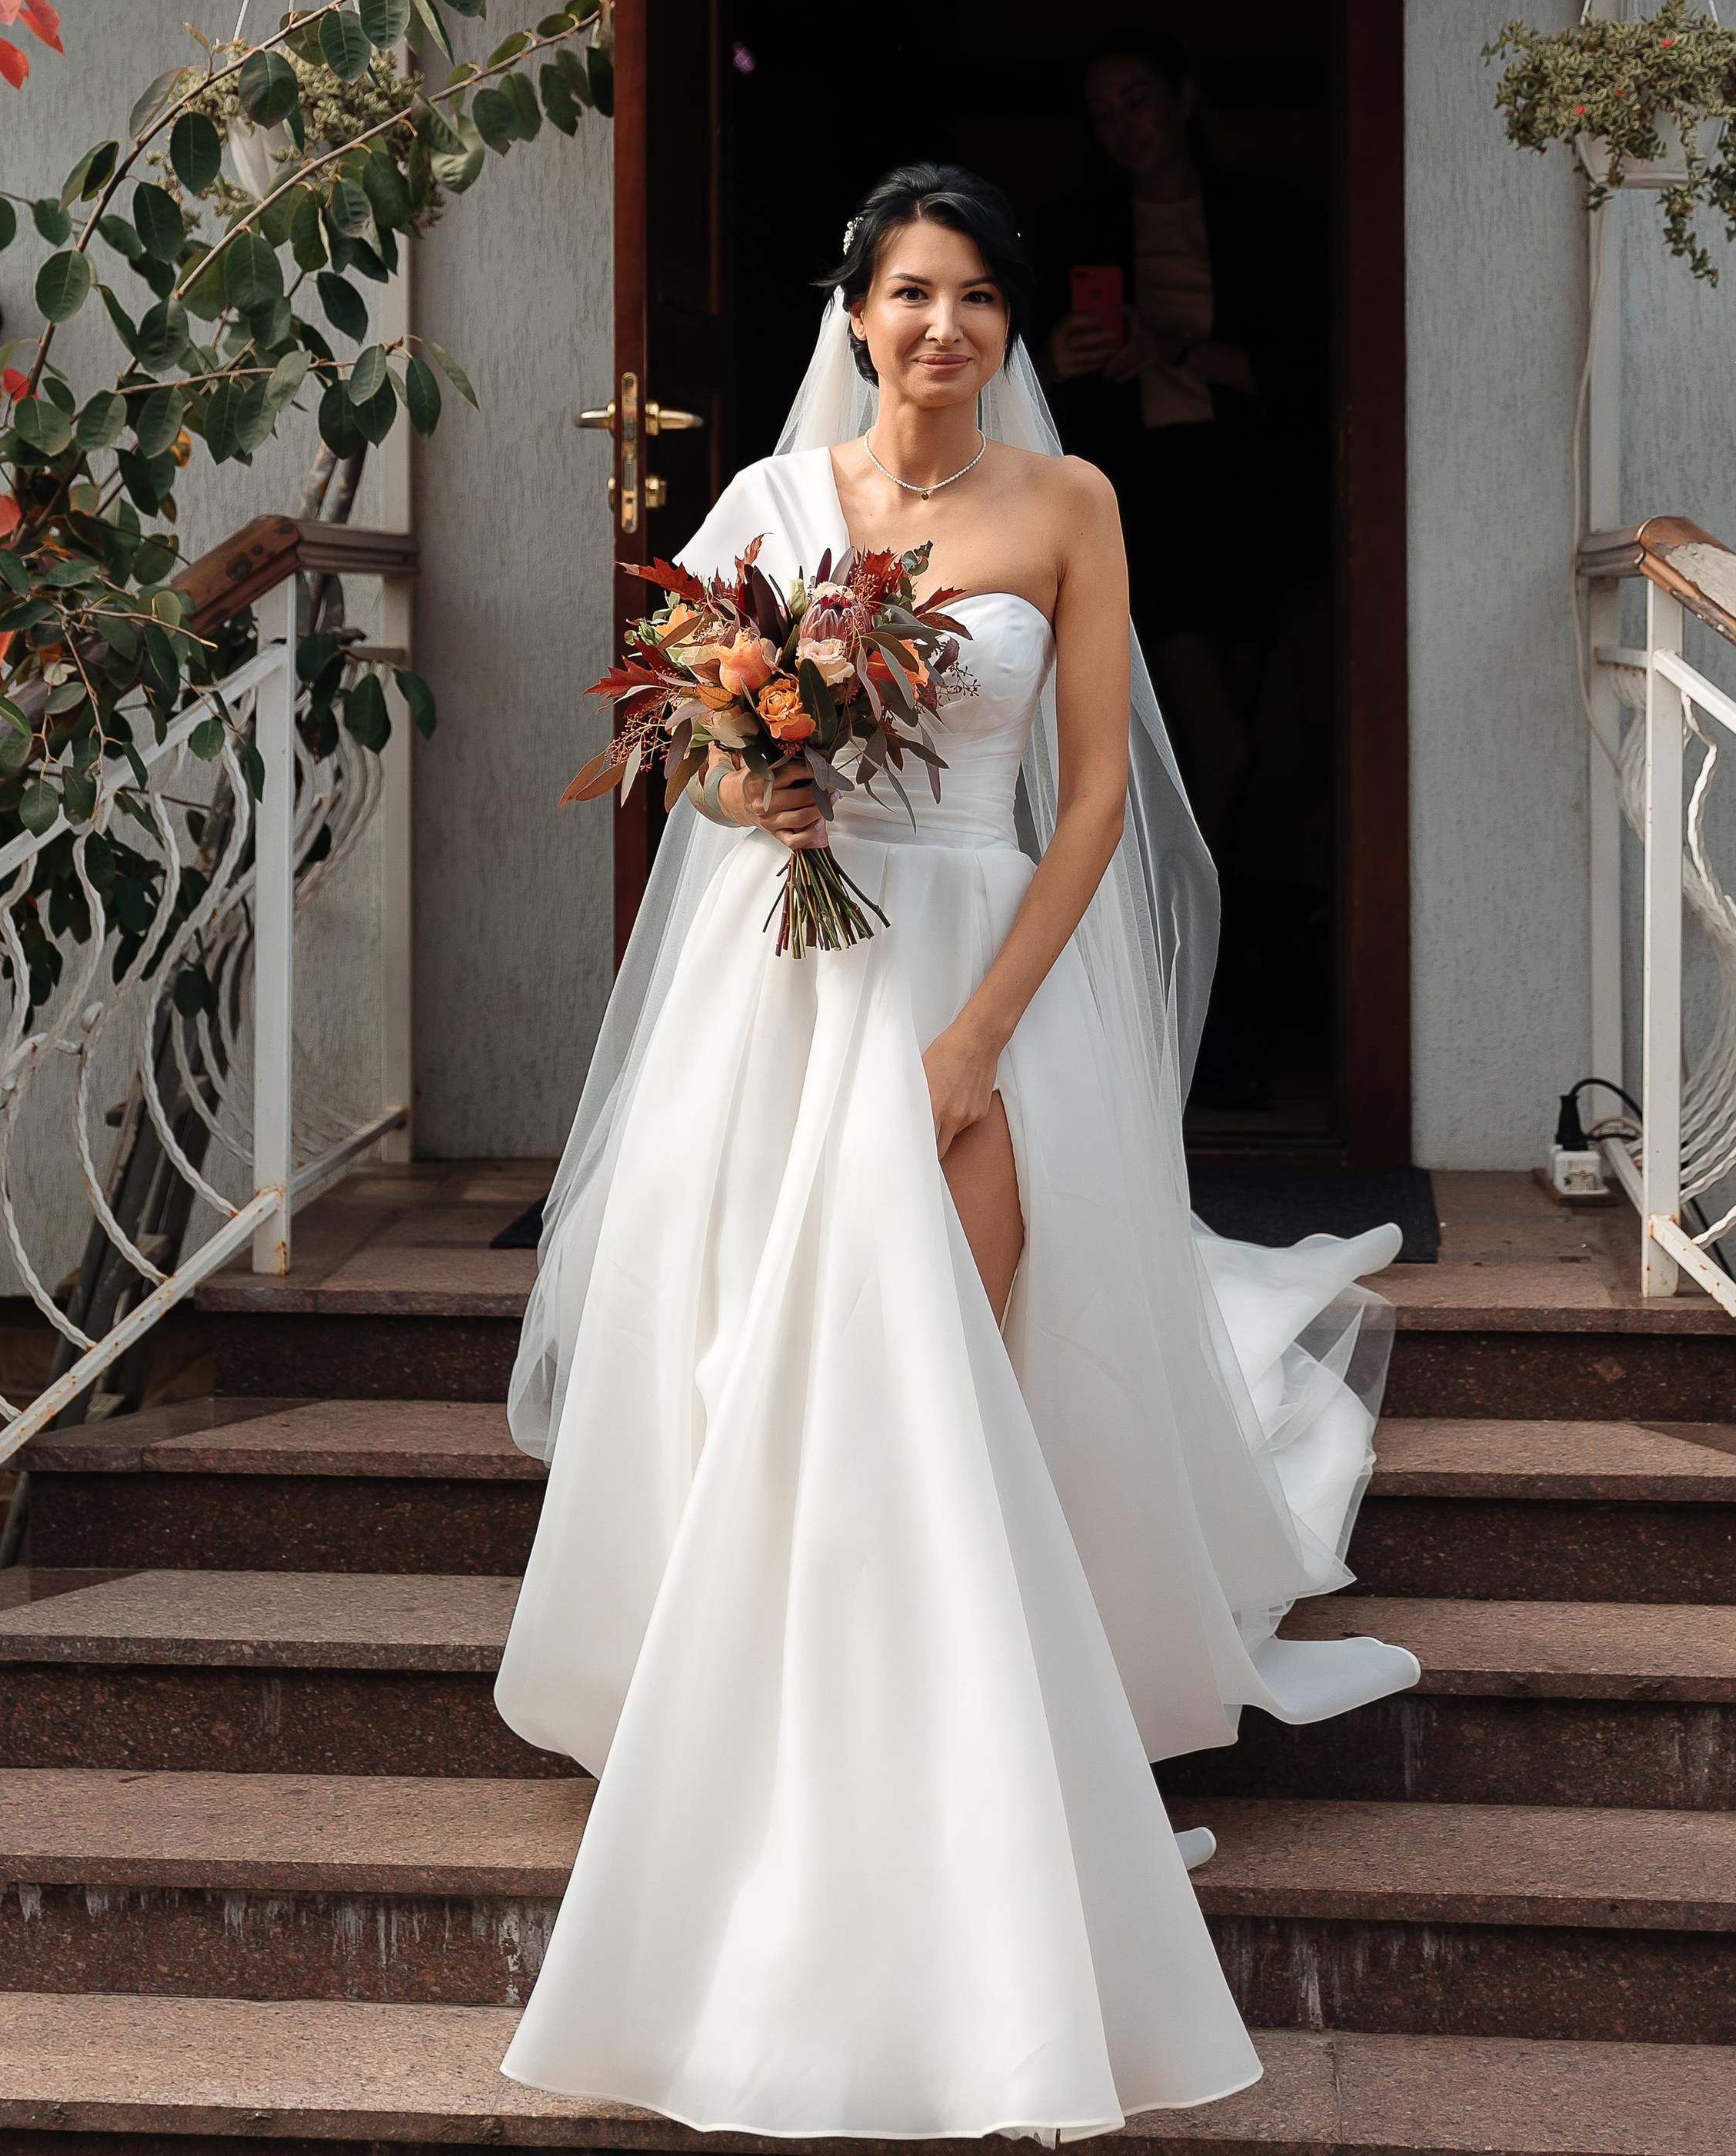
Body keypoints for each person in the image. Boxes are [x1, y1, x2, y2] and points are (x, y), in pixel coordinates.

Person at [494, 163, 1415, 2141]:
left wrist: (981, 1032)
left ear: (1008, 327)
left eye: (979, 297)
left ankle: (973, 1732)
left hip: (990, 972)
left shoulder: (1067, 508)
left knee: (963, 1340)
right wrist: (767, 764)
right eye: (912, 293)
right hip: (789, 972)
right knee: (766, 1330)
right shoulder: (766, 508)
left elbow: (1093, 800)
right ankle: (754, 1705)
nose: (945, 326)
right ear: (854, 314)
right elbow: (709, 760)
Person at [1045, 32, 1326, 1105]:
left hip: (1243, 501)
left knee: (1233, 751)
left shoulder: (1262, 219)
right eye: (1102, 111)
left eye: (1137, 102)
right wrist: (1061, 360)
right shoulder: (1071, 224)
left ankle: (1195, 963)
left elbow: (1306, 370)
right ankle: (1179, 960)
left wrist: (1173, 349)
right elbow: (1011, 388)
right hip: (1137, 506)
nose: (1123, 127)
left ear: (1185, 97)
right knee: (1219, 743)